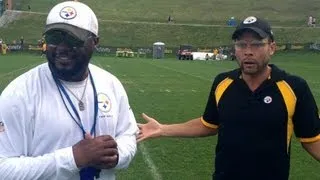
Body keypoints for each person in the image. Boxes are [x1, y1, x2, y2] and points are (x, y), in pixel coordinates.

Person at [137, 16, 320, 180]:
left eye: (256, 44)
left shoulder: (294, 87)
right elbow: (208, 124)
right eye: (241, 44)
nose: (248, 51)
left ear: (272, 48)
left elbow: (312, 140)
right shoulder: (223, 83)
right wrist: (162, 129)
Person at [0, 1, 138, 180]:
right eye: (54, 39)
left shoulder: (110, 84)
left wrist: (116, 155)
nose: (62, 48)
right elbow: (3, 168)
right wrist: (73, 158)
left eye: (73, 39)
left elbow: (128, 135)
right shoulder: (19, 93)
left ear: (95, 42)